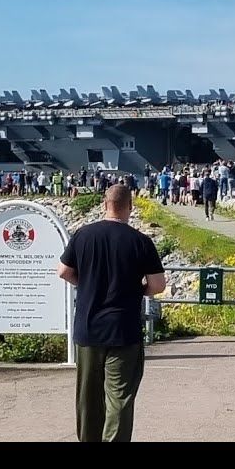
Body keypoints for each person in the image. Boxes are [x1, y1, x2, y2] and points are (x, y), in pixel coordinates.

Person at [57, 185, 166, 442]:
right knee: (119, 399)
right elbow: (158, 285)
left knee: (88, 398)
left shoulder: (83, 235)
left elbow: (63, 271)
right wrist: (139, 289)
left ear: (105, 204)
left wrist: (85, 283)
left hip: (88, 328)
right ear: (130, 206)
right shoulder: (141, 241)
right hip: (123, 329)